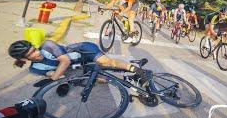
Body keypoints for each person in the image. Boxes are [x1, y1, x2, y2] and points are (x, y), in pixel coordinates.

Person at [8, 40, 147, 96]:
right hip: (77, 67)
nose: (36, 53)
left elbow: (65, 61)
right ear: (23, 59)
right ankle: (127, 78)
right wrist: (60, 80)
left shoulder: (47, 45)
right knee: (99, 80)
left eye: (34, 49)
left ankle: (137, 70)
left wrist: (55, 77)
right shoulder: (35, 69)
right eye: (31, 53)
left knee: (106, 62)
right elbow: (54, 74)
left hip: (83, 51)